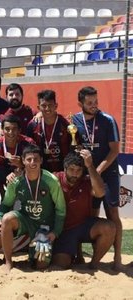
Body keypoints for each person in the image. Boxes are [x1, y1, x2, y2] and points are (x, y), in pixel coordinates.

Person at [0, 145, 66, 271]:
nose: (33, 163)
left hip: (44, 226)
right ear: (23, 160)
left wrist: (55, 232)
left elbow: (61, 210)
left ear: (41, 160)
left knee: (41, 265)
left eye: (36, 159)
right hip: (25, 220)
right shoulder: (16, 181)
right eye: (29, 159)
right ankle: (8, 262)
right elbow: (6, 205)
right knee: (6, 219)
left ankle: (33, 257)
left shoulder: (51, 181)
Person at [72, 86, 122, 270]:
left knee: (112, 214)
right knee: (89, 215)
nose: (94, 105)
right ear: (81, 103)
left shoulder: (108, 120)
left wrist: (98, 170)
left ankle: (117, 259)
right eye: (89, 102)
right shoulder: (74, 120)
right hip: (86, 174)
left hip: (108, 173)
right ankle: (85, 257)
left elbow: (115, 150)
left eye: (96, 101)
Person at [52, 150, 116, 269]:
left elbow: (100, 192)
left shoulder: (86, 180)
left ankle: (94, 264)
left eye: (79, 170)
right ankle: (71, 254)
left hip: (83, 227)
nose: (75, 174)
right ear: (64, 168)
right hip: (63, 231)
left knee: (110, 227)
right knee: (61, 264)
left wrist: (90, 166)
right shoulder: (55, 179)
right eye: (71, 169)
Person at [26, 90, 71, 172]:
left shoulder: (65, 124)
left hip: (63, 171)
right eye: (44, 105)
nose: (47, 109)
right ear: (38, 108)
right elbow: (28, 149)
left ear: (56, 106)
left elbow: (72, 146)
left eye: (50, 105)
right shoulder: (33, 125)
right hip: (41, 171)